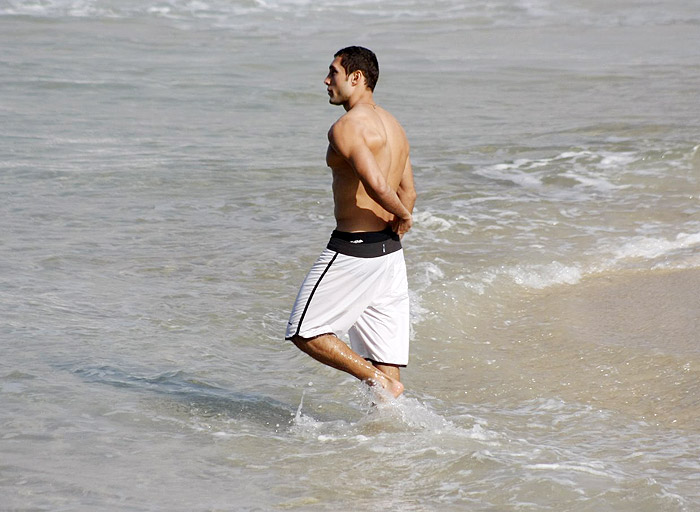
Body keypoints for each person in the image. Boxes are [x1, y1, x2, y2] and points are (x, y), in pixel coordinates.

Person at [285, 46, 416, 398]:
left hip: (354, 250)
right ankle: (385, 440)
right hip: (389, 254)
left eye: (334, 73)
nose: (326, 80)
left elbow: (376, 185)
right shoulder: (394, 126)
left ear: (356, 78)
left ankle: (378, 381)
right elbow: (409, 191)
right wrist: (402, 216)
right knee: (383, 355)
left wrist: (403, 216)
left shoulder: (347, 126)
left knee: (304, 330)